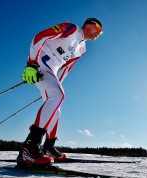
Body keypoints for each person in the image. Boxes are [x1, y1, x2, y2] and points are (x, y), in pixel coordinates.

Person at [17, 18, 103, 166]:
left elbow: (66, 68)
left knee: (56, 108)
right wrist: (32, 63)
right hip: (40, 64)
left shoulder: (82, 50)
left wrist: (55, 87)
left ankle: (48, 147)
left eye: (101, 33)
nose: (99, 33)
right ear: (89, 25)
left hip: (51, 72)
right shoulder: (72, 29)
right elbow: (40, 36)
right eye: (98, 29)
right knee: (58, 96)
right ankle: (29, 148)